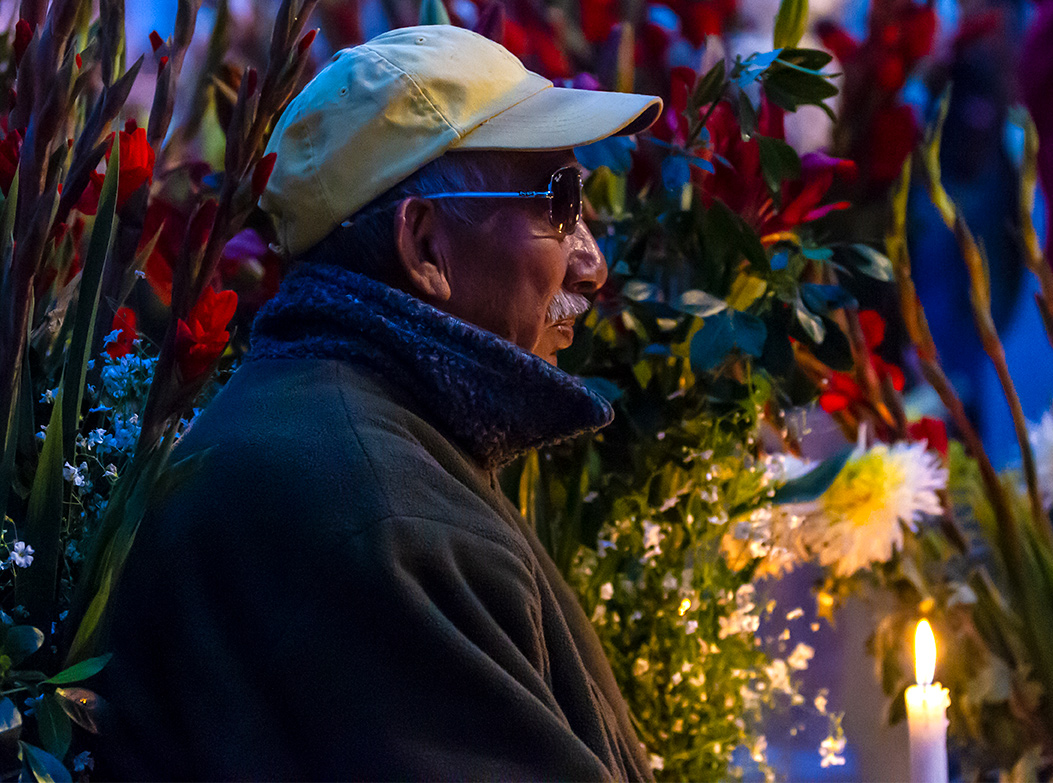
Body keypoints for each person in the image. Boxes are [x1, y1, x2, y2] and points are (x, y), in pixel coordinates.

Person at [96, 25, 661, 780]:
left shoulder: (357, 440)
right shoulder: (382, 508)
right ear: (425, 246)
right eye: (560, 204)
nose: (591, 263)